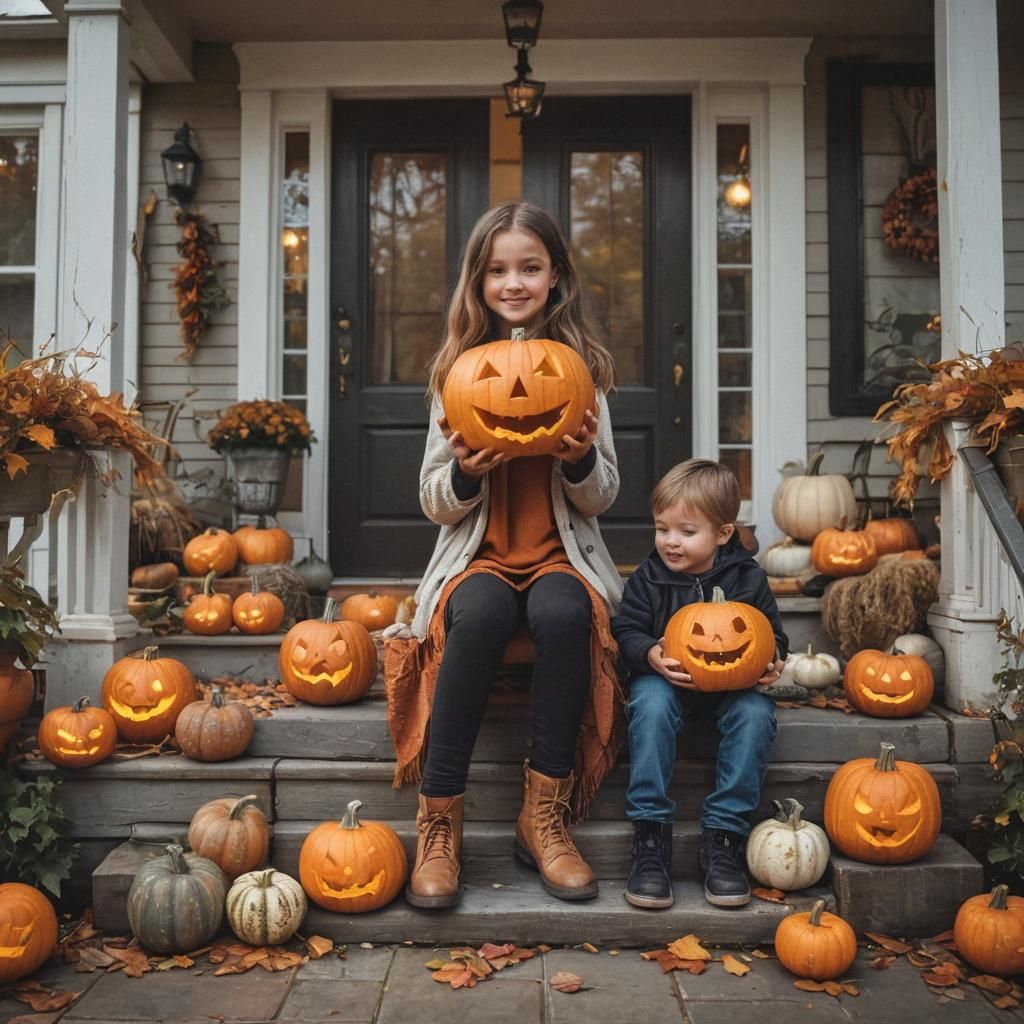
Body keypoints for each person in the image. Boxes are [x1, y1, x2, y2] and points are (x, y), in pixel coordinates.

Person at [383, 201, 624, 909]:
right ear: (478, 281)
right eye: (497, 270)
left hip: (559, 557)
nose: (513, 282)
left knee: (563, 611)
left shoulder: (580, 373)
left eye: (529, 267)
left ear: (556, 278)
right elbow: (433, 498)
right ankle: (439, 821)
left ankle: (543, 814)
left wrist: (579, 462)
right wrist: (466, 472)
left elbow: (604, 494)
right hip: (477, 560)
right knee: (481, 613)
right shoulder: (458, 374)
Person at [610, 459, 788, 910]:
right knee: (647, 704)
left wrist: (773, 660)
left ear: (723, 534)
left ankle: (724, 836)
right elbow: (625, 629)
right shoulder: (649, 577)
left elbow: (772, 634)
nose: (670, 541)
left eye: (686, 532)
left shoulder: (747, 577)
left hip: (734, 689)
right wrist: (648, 651)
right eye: (662, 529)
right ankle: (651, 835)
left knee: (757, 713)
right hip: (666, 682)